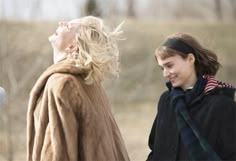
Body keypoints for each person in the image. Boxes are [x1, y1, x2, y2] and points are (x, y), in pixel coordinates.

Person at [27, 16, 130, 161]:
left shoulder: (63, 84)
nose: (60, 22)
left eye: (68, 26)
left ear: (73, 46)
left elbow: (57, 152)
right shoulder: (90, 83)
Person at [147, 32, 235, 161]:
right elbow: (155, 149)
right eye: (162, 68)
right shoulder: (166, 100)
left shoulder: (222, 105)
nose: (165, 73)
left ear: (190, 59)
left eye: (169, 65)